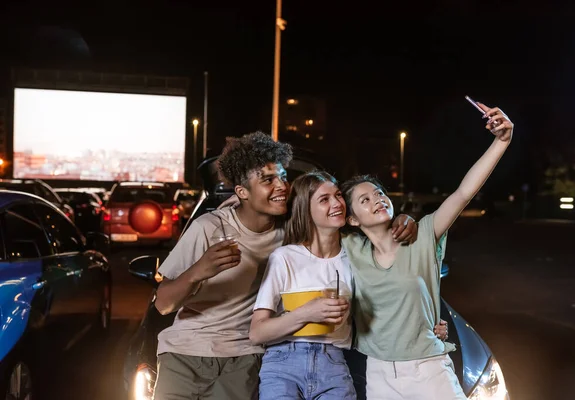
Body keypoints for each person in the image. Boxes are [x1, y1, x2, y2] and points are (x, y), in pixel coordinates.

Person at [151, 131, 419, 399]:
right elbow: (163, 304)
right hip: (185, 350)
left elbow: (347, 228)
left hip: (244, 355)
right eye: (268, 180)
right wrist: (198, 271)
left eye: (282, 177)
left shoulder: (291, 236)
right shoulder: (208, 228)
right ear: (242, 192)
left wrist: (399, 219)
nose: (281, 185)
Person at [340, 103, 514, 399]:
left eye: (379, 193)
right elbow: (307, 221)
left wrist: (502, 141)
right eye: (365, 200)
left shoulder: (423, 235)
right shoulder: (348, 248)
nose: (377, 200)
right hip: (380, 373)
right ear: (352, 219)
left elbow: (463, 192)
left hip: (430, 368)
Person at [249, 171, 449, 400]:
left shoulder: (355, 257)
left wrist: (428, 322)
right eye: (324, 200)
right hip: (284, 361)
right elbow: (257, 333)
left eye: (338, 196)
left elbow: (390, 293)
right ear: (305, 209)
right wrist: (306, 313)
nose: (336, 203)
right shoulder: (285, 257)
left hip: (334, 362)